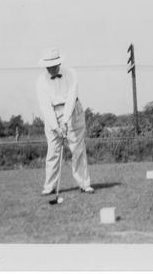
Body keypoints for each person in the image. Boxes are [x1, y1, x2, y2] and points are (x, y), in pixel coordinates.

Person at [36, 47, 94, 195]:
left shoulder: (71, 74)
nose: (51, 69)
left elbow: (71, 99)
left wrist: (65, 121)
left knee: (78, 149)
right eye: (48, 67)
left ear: (59, 63)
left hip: (73, 111)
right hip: (52, 114)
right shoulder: (41, 81)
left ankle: (84, 184)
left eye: (53, 66)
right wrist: (56, 126)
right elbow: (45, 107)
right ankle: (49, 186)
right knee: (53, 152)